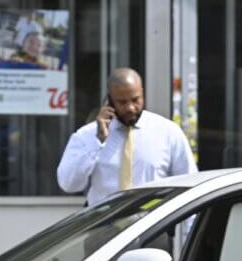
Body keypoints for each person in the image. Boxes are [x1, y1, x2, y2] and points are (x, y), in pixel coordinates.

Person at [57, 68, 196, 206]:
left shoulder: (168, 132)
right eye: (122, 102)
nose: (130, 108)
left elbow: (188, 185)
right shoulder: (87, 136)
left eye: (135, 100)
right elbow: (69, 185)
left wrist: (190, 228)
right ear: (110, 100)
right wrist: (97, 142)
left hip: (153, 224)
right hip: (104, 224)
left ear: (142, 93)